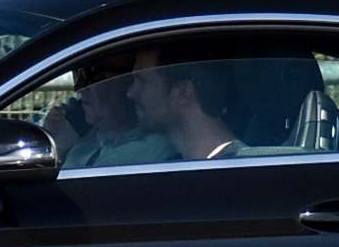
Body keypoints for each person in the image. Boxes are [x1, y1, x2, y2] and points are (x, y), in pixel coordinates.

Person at [44, 58, 176, 169]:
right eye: (76, 73)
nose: (79, 87)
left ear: (128, 81)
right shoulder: (83, 147)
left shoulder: (158, 155)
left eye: (91, 74)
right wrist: (55, 147)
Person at [126, 46, 251, 161]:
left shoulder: (238, 174)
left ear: (183, 93)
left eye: (142, 82)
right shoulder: (176, 164)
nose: (130, 93)